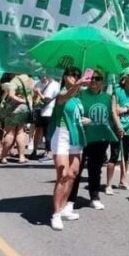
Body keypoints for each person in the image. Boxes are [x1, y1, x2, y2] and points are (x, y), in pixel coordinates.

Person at [48, 67, 89, 230]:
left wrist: (84, 120)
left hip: (75, 137)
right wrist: (77, 85)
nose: (75, 77)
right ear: (65, 77)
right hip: (61, 137)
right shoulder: (62, 94)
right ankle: (56, 214)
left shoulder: (78, 99)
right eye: (72, 75)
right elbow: (66, 96)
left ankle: (64, 207)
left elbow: (76, 117)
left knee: (72, 174)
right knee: (63, 175)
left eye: (77, 76)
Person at [74, 68, 118, 211]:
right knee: (76, 170)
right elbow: (73, 114)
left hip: (100, 139)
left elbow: (110, 117)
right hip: (82, 138)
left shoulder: (107, 97)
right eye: (92, 78)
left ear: (102, 82)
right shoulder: (79, 95)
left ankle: (94, 197)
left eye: (98, 78)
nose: (94, 81)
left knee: (95, 170)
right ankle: (70, 199)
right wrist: (81, 119)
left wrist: (118, 128)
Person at [108, 68, 129, 193]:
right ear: (124, 77)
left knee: (126, 155)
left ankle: (123, 181)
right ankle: (109, 185)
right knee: (114, 155)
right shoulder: (117, 91)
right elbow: (113, 110)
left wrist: (125, 110)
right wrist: (119, 126)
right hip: (117, 127)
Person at [0, 73, 34, 164]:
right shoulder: (30, 80)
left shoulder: (15, 81)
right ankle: (21, 156)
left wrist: (22, 100)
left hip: (14, 109)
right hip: (25, 108)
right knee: (21, 132)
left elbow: (11, 95)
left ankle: (4, 156)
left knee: (10, 133)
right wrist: (26, 102)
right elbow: (32, 94)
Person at [32, 74, 60, 160]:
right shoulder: (38, 83)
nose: (43, 77)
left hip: (49, 111)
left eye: (45, 75)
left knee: (48, 132)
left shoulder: (54, 85)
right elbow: (33, 96)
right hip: (40, 111)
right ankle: (35, 151)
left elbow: (46, 99)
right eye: (42, 75)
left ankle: (48, 152)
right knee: (38, 131)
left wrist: (39, 93)